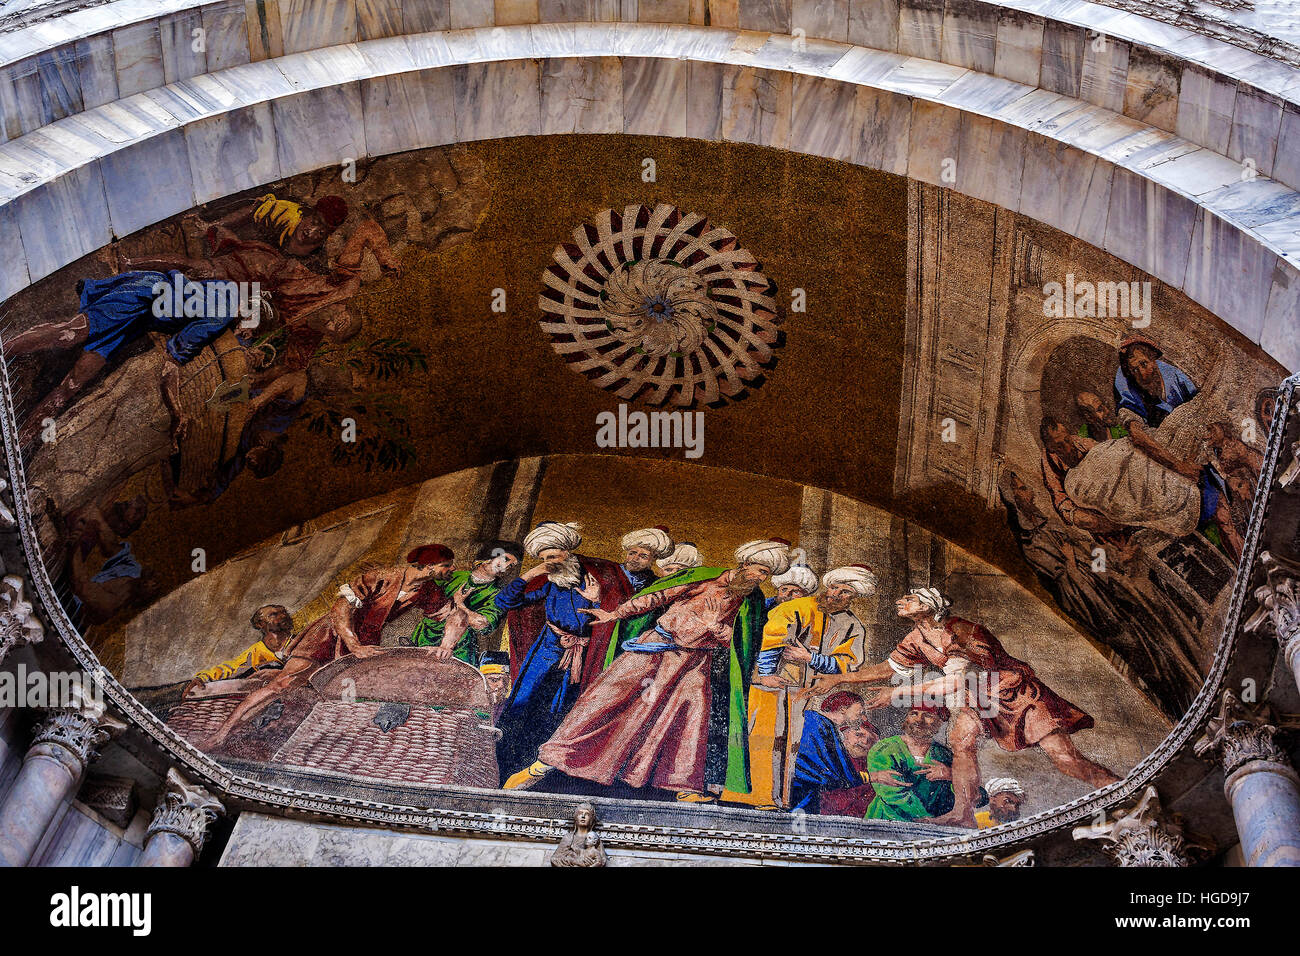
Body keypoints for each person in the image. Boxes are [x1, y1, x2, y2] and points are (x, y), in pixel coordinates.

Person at [503, 539, 793, 802]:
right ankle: (545, 763)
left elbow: (742, 641)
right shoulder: (707, 578)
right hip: (655, 649)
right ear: (744, 564)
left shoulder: (751, 598)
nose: (758, 577)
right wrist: (614, 614)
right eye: (756, 570)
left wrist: (717, 632)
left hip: (696, 662)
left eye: (764, 574)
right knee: (604, 702)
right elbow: (657, 597)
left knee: (692, 717)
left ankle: (685, 787)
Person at [813, 588, 1119, 827]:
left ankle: (1115, 789)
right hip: (980, 700)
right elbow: (888, 668)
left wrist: (898, 694)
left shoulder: (962, 632)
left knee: (1065, 760)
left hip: (1014, 694)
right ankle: (962, 813)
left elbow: (955, 682)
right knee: (961, 740)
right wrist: (839, 679)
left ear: (929, 604)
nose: (900, 602)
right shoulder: (917, 637)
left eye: (909, 598)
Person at [199, 545, 456, 750]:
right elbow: (340, 609)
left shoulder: (427, 590)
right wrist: (353, 645)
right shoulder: (382, 577)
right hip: (328, 635)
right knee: (281, 685)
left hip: (365, 643)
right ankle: (221, 735)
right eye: (447, 565)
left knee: (341, 695)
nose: (452, 569)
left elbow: (456, 617)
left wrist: (447, 644)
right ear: (429, 565)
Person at [494, 523, 633, 779]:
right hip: (549, 647)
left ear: (567, 553)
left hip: (584, 653)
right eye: (545, 559)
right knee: (526, 697)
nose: (551, 563)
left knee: (567, 707)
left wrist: (597, 599)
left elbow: (620, 612)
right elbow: (504, 602)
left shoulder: (597, 578)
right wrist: (531, 573)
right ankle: (508, 758)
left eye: (554, 556)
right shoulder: (550, 584)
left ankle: (551, 764)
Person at [731, 564, 875, 809]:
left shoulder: (852, 626)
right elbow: (772, 641)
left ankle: (777, 800)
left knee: (790, 745)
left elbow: (847, 664)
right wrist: (765, 674)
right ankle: (753, 797)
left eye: (846, 592)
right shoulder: (795, 608)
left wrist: (811, 659)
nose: (836, 594)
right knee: (761, 736)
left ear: (855, 597)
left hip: (801, 693)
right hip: (768, 687)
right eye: (834, 587)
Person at [409, 540, 522, 664]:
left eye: (511, 566)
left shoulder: (499, 593)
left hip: (458, 649)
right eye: (505, 560)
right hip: (423, 638)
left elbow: (482, 624)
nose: (506, 568)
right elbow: (423, 595)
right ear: (490, 556)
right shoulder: (453, 576)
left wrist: (460, 605)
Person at [788, 690, 878, 816]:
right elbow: (839, 771)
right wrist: (872, 776)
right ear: (842, 709)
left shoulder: (816, 720)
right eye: (860, 712)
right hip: (799, 792)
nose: (863, 718)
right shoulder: (820, 724)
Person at [864, 706, 956, 823]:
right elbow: (894, 796)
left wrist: (952, 775)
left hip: (934, 830)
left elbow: (976, 796)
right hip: (888, 824)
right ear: (906, 718)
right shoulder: (884, 749)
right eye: (914, 714)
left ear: (939, 722)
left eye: (927, 715)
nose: (919, 720)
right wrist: (936, 821)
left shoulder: (944, 754)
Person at [183, 604, 295, 697]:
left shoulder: (300, 641)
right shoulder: (256, 651)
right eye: (273, 614)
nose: (282, 616)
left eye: (283, 612)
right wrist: (203, 677)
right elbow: (231, 668)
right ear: (260, 624)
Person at [619, 526, 674, 592]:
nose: (635, 559)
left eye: (643, 556)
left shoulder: (656, 584)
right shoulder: (611, 571)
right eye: (632, 553)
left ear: (653, 559)